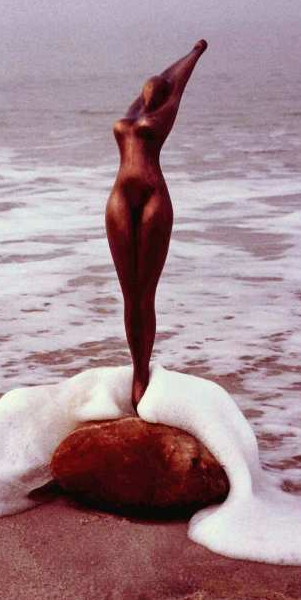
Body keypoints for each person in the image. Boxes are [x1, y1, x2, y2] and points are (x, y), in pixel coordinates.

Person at [105, 39, 208, 409]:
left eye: (155, 91)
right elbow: (162, 77)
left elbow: (176, 80)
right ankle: (136, 367)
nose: (148, 94)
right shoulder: (132, 114)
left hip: (153, 197)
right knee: (128, 293)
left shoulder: (165, 112)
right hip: (120, 197)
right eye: (145, 90)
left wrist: (196, 52)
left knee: (144, 292)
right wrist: (173, 64)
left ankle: (141, 372)